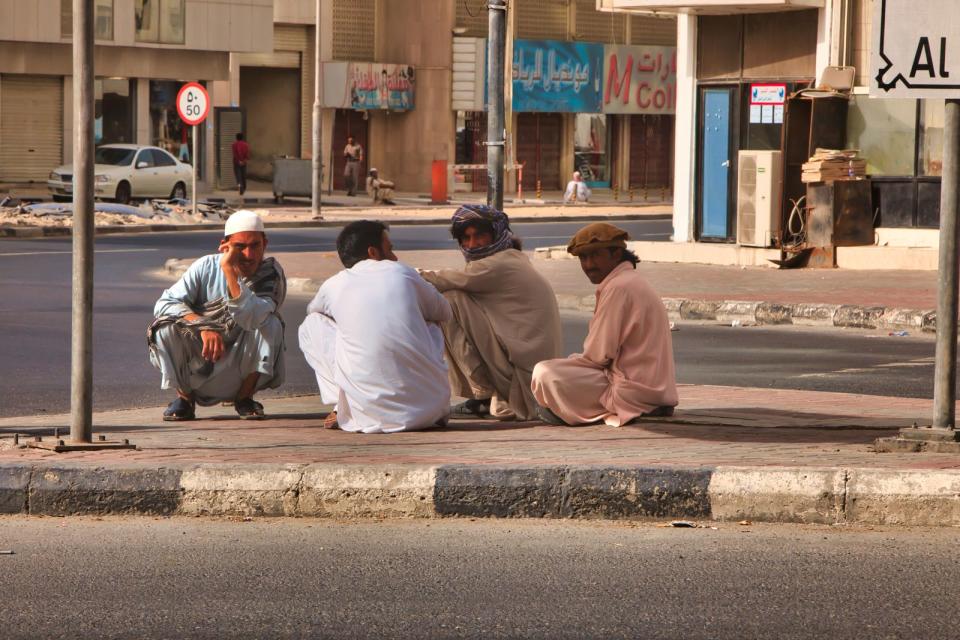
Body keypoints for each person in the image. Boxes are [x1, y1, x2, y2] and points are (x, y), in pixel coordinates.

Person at [298, 220, 451, 433]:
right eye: (390, 249)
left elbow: (313, 311)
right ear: (373, 252)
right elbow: (445, 312)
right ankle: (436, 402)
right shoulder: (403, 272)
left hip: (367, 417)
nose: (395, 257)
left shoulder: (334, 284)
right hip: (431, 409)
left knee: (311, 325)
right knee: (432, 321)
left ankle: (339, 404)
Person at [419, 205, 561, 421]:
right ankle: (484, 397)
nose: (472, 244)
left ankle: (482, 396)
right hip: (527, 372)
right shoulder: (512, 258)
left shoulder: (500, 264)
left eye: (479, 236)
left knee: (450, 300)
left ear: (496, 235)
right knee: (457, 297)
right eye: (465, 239)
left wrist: (390, 272)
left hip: (523, 379)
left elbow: (439, 279)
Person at [531, 223, 678, 427]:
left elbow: (598, 355)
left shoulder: (619, 287)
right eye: (583, 258)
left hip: (633, 390)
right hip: (649, 387)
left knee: (545, 373)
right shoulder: (628, 281)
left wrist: (570, 364)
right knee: (556, 372)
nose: (589, 264)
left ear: (616, 254)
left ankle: (590, 409)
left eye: (595, 256)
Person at [148, 210, 286, 421]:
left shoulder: (270, 274)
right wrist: (202, 326)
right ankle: (184, 399)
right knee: (163, 328)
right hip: (201, 356)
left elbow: (252, 317)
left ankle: (244, 398)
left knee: (270, 323)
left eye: (255, 246)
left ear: (265, 244)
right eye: (240, 247)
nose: (248, 255)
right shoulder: (205, 267)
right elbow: (165, 303)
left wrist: (229, 271)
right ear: (225, 245)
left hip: (243, 361)